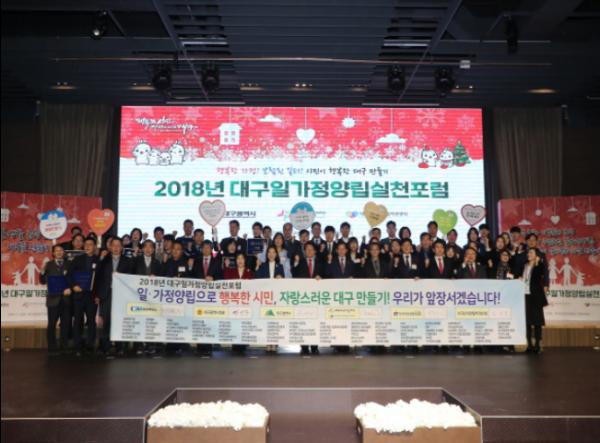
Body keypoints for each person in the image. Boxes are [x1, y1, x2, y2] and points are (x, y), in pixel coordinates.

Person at [95, 237, 134, 357]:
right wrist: (98, 295)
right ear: (110, 247)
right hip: (106, 295)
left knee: (121, 321)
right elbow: (98, 279)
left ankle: (120, 347)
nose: (116, 248)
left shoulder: (128, 261)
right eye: (114, 245)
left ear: (122, 247)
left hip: (122, 295)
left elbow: (132, 278)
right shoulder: (103, 261)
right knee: (106, 322)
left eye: (118, 245)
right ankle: (105, 347)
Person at [68, 237, 100, 356]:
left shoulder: (99, 260)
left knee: (91, 321)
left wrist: (98, 295)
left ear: (95, 246)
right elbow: (69, 275)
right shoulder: (77, 259)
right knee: (77, 321)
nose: (87, 246)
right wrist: (73, 286)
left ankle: (90, 345)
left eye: (90, 244)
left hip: (92, 296)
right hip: (79, 295)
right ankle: (77, 346)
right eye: (86, 244)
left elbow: (101, 280)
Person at [292, 242, 324, 355]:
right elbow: (293, 274)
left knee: (315, 322)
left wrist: (321, 277)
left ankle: (314, 346)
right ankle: (304, 346)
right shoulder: (299, 262)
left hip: (316, 298)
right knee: (303, 322)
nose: (309, 251)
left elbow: (327, 275)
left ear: (315, 251)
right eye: (307, 249)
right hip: (303, 297)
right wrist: (296, 263)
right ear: (304, 251)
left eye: (311, 249)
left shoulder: (320, 263)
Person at [40, 245, 72, 355]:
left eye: (61, 250)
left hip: (66, 300)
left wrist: (70, 288)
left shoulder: (69, 264)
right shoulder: (48, 265)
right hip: (53, 300)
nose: (59, 252)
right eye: (56, 250)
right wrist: (42, 272)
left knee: (65, 325)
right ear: (53, 253)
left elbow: (73, 279)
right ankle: (52, 347)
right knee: (52, 325)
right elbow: (43, 281)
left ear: (64, 252)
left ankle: (64, 346)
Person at [519, 248, 548, 354]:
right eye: (528, 252)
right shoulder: (524, 265)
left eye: (531, 252)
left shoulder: (539, 265)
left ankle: (537, 345)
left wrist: (537, 263)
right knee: (527, 322)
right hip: (525, 295)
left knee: (537, 322)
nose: (528, 254)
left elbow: (541, 274)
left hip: (536, 296)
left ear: (536, 255)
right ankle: (529, 345)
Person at [223, 252, 254, 354]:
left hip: (245, 303)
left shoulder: (250, 272)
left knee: (243, 324)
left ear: (245, 260)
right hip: (234, 303)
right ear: (235, 261)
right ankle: (235, 344)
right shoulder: (231, 271)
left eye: (242, 258)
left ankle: (243, 344)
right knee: (235, 324)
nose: (240, 260)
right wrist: (226, 267)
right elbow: (226, 281)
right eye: (238, 258)